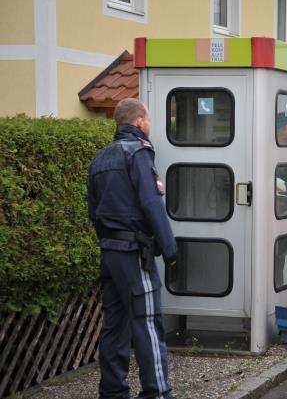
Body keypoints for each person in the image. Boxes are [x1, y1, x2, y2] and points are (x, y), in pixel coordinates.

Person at [88, 98, 177, 399]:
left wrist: (109, 241)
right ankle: (158, 393)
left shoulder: (100, 159)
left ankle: (112, 392)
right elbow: (151, 202)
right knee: (148, 322)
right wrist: (169, 248)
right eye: (148, 120)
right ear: (139, 121)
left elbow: (93, 211)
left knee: (114, 325)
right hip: (133, 252)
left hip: (110, 254)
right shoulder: (137, 151)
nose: (149, 126)